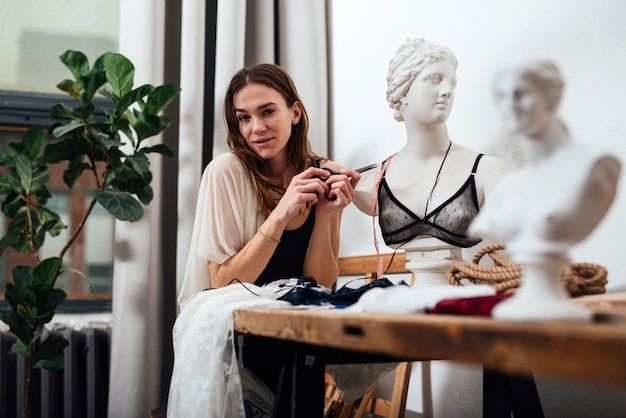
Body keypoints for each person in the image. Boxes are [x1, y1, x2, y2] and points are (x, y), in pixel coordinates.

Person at [168, 63, 361, 417]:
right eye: (244, 118)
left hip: (299, 338)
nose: (256, 128)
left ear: (295, 112)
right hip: (237, 344)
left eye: (268, 111)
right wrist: (281, 213)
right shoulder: (225, 172)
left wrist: (323, 219)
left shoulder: (324, 172)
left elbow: (321, 286)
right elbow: (222, 282)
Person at [470, 59, 621, 320]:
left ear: (552, 99)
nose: (510, 105)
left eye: (522, 94)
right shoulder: (509, 185)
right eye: (502, 96)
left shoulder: (594, 167)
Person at [353, 38, 508, 253]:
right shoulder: (367, 181)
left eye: (452, 83)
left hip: (464, 283)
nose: (447, 91)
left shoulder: (489, 172)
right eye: (434, 79)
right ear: (403, 91)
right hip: (405, 286)